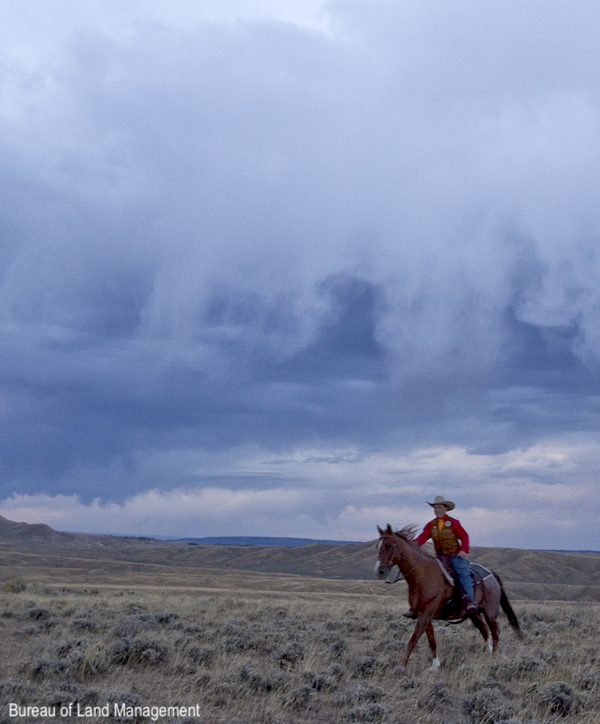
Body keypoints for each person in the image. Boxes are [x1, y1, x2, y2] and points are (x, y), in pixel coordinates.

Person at [404, 495, 477, 617]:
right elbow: (423, 537)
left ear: (445, 508)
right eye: (435, 508)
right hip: (440, 557)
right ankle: (418, 606)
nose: (436, 510)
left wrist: (464, 550)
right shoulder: (431, 525)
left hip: (455, 556)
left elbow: (464, 536)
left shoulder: (454, 523)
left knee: (463, 573)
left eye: (439, 507)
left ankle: (469, 600)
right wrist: (415, 544)